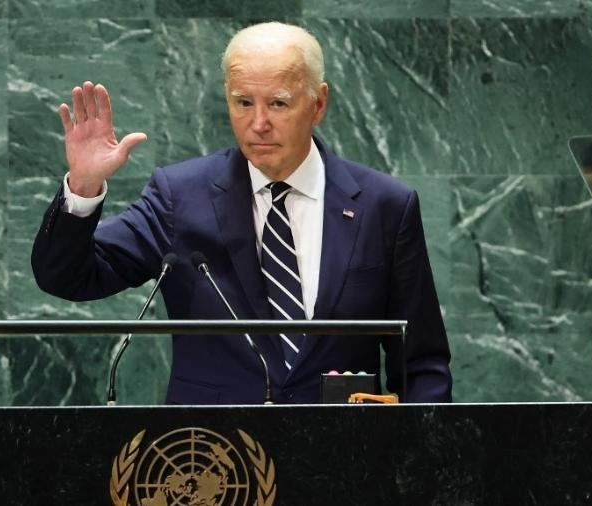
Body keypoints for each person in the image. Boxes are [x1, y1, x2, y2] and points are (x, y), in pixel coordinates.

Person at [32, 22, 452, 404]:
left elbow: (422, 367)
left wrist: (418, 471)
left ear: (318, 103)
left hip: (347, 464)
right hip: (214, 466)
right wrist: (83, 187)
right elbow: (69, 276)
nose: (259, 123)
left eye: (279, 104)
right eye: (244, 103)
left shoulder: (384, 206)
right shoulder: (181, 196)